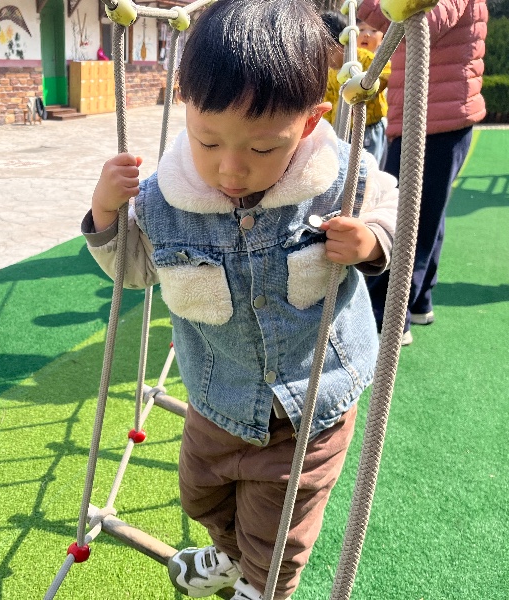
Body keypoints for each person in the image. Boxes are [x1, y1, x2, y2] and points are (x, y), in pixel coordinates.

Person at [80, 1, 399, 598]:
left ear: (310, 123)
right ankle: (231, 557)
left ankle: (260, 585)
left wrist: (372, 239)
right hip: (217, 395)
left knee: (276, 530)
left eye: (262, 150)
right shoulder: (163, 198)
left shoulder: (337, 176)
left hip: (310, 402)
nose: (231, 169)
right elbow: (134, 271)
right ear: (185, 104)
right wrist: (104, 212)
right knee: (200, 495)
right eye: (208, 141)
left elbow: (394, 207)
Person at [356, 0, 488, 345]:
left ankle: (389, 314)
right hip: (429, 113)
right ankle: (419, 301)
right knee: (426, 212)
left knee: (406, 217)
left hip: (434, 118)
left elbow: (422, 22)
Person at [321, 11, 391, 167]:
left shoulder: (363, 58)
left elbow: (386, 73)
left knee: (367, 169)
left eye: (327, 53)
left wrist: (365, 89)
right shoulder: (331, 71)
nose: (325, 60)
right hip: (342, 128)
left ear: (341, 44)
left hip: (368, 128)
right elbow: (329, 100)